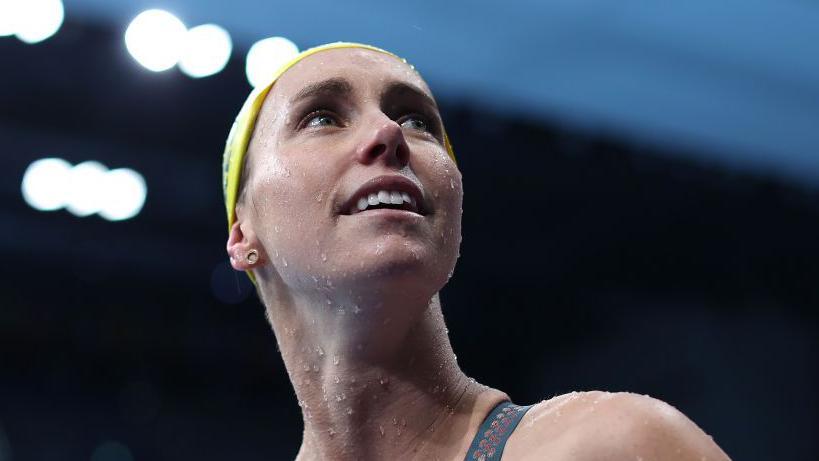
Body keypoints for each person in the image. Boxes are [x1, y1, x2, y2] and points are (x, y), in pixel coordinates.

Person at [222, 42, 732, 460]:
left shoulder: (612, 446)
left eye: (418, 121)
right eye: (322, 117)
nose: (388, 133)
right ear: (243, 234)